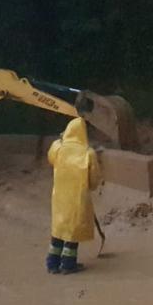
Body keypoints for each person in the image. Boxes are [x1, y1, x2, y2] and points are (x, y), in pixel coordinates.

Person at [46, 117, 102, 274]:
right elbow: (95, 179)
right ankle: (68, 264)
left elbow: (50, 158)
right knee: (73, 231)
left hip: (59, 197)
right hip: (78, 198)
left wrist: (61, 138)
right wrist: (89, 187)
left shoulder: (57, 148)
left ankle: (52, 263)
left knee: (59, 229)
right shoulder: (88, 153)